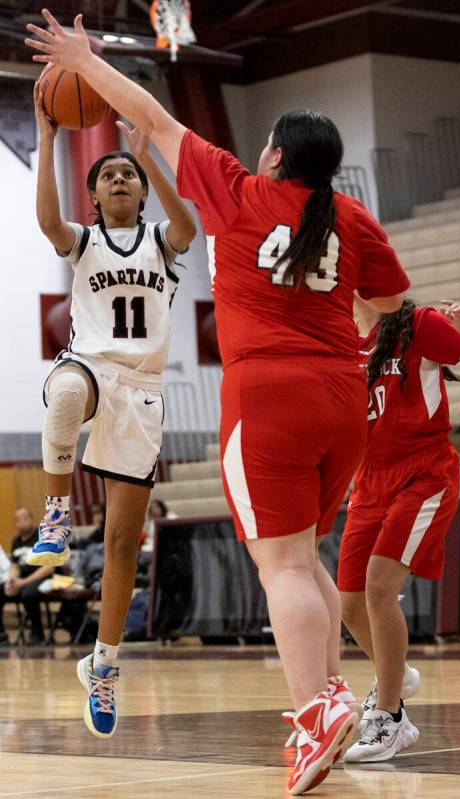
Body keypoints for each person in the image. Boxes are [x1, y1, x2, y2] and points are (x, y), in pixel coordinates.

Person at [25, 13, 410, 793]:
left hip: (269, 394)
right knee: (308, 562)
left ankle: (315, 710)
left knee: (284, 568)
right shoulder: (352, 218)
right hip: (342, 398)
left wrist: (81, 59)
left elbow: (149, 113)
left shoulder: (240, 191)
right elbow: (393, 300)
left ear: (273, 154)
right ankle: (327, 703)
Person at [25, 73, 196, 739]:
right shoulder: (83, 242)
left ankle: (103, 661)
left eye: (129, 174)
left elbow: (187, 221)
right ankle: (58, 511)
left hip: (143, 391)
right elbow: (45, 220)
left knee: (125, 540)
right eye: (110, 175)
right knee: (65, 392)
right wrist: (46, 138)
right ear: (93, 195)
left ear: (140, 190)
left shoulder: (162, 241)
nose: (120, 180)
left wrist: (149, 151)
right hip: (90, 366)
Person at [338, 296, 460, 763]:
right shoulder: (338, 338)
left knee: (379, 587)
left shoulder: (418, 324)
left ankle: (391, 717)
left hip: (424, 472)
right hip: (368, 479)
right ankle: (396, 673)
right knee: (349, 603)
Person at [0, 509, 54, 645]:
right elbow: (15, 566)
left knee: (28, 593)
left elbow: (49, 568)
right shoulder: (16, 541)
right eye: (18, 519)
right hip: (22, 579)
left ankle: (37, 633)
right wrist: (12, 580)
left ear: (32, 519)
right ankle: (2, 635)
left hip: (42, 577)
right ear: (15, 524)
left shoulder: (42, 537)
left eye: (25, 518)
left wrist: (23, 582)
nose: (22, 521)